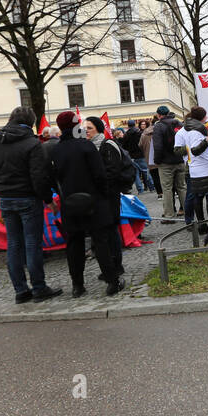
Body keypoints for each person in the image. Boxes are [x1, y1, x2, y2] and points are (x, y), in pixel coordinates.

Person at [0, 106, 61, 303]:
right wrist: (47, 199)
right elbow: (39, 176)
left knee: (14, 245)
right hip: (28, 198)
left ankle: (20, 290)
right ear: (30, 122)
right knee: (32, 244)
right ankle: (39, 287)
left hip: (7, 200)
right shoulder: (32, 143)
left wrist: (3, 189)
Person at [51, 112, 118, 297]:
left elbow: (51, 177)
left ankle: (77, 286)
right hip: (94, 201)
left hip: (69, 203)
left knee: (74, 245)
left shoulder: (56, 150)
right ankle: (112, 281)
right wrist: (102, 195)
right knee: (101, 242)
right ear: (75, 126)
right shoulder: (86, 146)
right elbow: (100, 174)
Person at [84, 115, 127, 289]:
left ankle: (117, 265)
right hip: (98, 197)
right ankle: (109, 266)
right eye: (84, 128)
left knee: (111, 230)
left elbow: (113, 172)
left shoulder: (107, 145)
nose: (85, 131)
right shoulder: (87, 147)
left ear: (99, 129)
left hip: (109, 195)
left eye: (89, 128)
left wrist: (100, 187)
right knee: (103, 232)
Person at [176, 106, 208, 227]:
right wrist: (207, 140)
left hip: (196, 168)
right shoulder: (196, 131)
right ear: (202, 117)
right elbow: (195, 150)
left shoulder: (191, 129)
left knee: (198, 197)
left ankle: (202, 225)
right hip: (204, 168)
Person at [151, 106, 187, 217]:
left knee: (166, 189)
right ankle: (187, 210)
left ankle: (169, 214)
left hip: (166, 162)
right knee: (182, 187)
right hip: (180, 160)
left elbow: (158, 146)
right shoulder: (179, 124)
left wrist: (157, 161)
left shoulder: (158, 126)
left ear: (158, 115)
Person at [121, 119, 152, 193]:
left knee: (136, 174)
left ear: (128, 125)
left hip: (131, 156)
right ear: (135, 124)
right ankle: (151, 187)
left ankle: (140, 190)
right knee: (145, 171)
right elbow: (142, 144)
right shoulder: (139, 133)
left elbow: (124, 146)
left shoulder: (126, 135)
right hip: (140, 155)